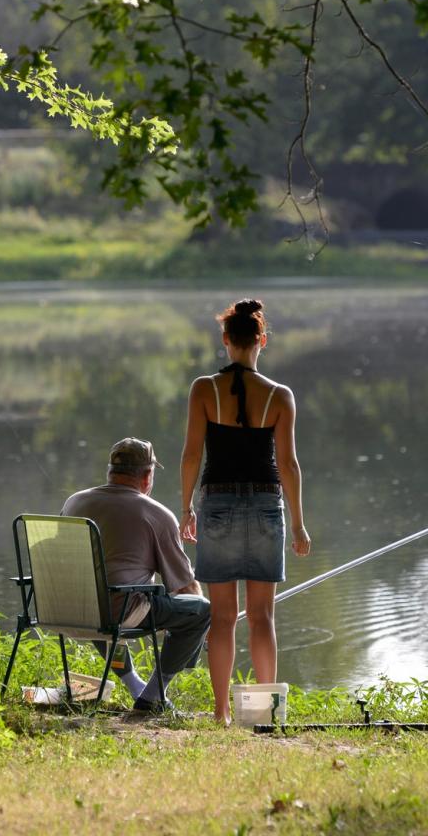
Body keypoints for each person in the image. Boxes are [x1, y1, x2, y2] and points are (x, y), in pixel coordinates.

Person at [180, 298, 311, 724]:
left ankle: (220, 714)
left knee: (221, 618)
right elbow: (289, 465)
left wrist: (185, 508)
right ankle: (264, 715)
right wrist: (299, 525)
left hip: (216, 503)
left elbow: (190, 456)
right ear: (262, 341)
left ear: (225, 340)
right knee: (262, 617)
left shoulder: (204, 389)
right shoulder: (280, 395)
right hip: (265, 505)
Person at [61, 437, 211, 712]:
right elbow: (186, 589)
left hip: (67, 609)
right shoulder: (157, 514)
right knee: (200, 611)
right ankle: (152, 698)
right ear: (147, 476)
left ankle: (135, 686)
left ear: (111, 472)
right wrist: (204, 632)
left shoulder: (74, 502)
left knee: (97, 593)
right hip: (116, 612)